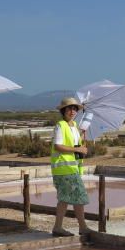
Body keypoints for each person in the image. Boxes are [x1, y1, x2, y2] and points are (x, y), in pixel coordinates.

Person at [50, 97, 91, 237]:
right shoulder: (60, 125)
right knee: (76, 197)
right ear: (63, 110)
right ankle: (82, 227)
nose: (72, 111)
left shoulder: (74, 127)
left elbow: (76, 149)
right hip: (64, 169)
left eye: (75, 109)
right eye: (69, 108)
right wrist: (78, 150)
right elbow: (58, 146)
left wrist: (82, 150)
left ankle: (60, 227)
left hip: (72, 169)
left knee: (67, 198)